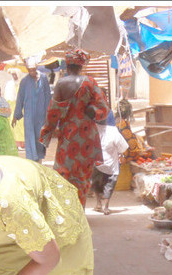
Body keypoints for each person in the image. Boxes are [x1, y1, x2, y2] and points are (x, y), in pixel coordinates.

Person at [40, 48, 110, 207]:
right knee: (83, 178)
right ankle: (80, 211)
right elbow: (104, 109)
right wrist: (94, 112)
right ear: (81, 65)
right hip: (87, 139)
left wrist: (47, 133)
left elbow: (53, 113)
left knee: (64, 175)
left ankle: (67, 211)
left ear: (67, 64)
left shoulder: (61, 84)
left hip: (68, 138)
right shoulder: (91, 83)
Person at [12, 60, 52, 163]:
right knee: (29, 136)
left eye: (33, 70)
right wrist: (16, 115)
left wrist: (49, 114)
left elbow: (48, 96)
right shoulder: (24, 81)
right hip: (29, 115)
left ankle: (39, 160)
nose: (31, 72)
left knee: (40, 137)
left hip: (41, 115)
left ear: (36, 68)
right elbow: (20, 98)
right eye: (29, 70)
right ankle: (31, 161)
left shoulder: (43, 78)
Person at [91, 115, 129, 215]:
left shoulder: (92, 129)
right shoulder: (113, 131)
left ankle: (98, 203)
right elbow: (123, 147)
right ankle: (106, 207)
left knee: (96, 184)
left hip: (96, 162)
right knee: (109, 184)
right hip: (111, 164)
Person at [116, 98, 153, 163]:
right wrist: (142, 150)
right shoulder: (123, 124)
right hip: (122, 156)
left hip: (114, 151)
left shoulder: (114, 121)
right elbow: (132, 146)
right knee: (148, 153)